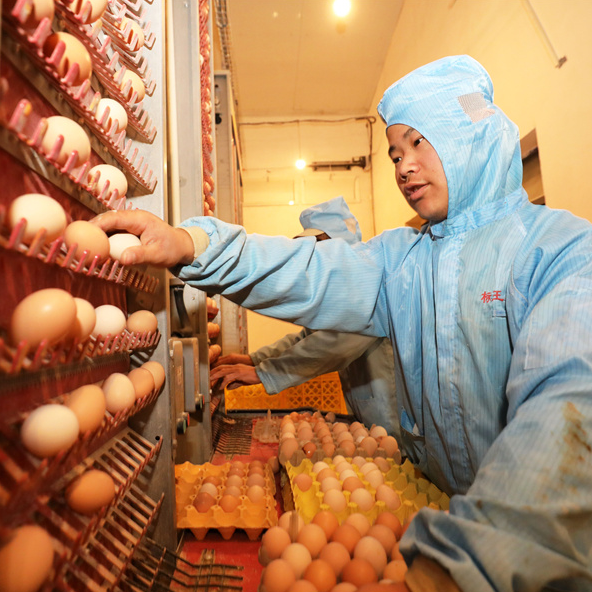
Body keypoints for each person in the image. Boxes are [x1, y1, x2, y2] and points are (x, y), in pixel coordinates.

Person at [92, 55, 592, 591]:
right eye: (395, 153)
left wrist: (472, 564)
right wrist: (195, 245)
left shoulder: (562, 252)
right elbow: (309, 271)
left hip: (530, 558)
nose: (403, 167)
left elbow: (568, 411)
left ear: (467, 134)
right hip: (441, 517)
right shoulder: (403, 260)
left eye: (419, 143)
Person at [210, 197, 399, 440]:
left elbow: (335, 346)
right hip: (369, 414)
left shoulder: (367, 284)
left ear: (338, 246)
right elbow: (308, 337)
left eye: (317, 246)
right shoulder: (339, 288)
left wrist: (262, 373)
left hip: (391, 417)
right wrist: (253, 360)